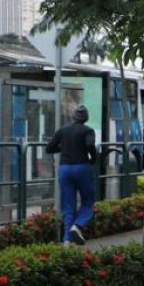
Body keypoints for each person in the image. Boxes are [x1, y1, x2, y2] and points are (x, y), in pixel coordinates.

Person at [46, 104, 97, 246]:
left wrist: (63, 147)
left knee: (68, 205)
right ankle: (78, 225)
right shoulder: (88, 130)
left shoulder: (63, 130)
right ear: (86, 118)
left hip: (65, 169)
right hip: (82, 167)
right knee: (88, 201)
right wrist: (93, 158)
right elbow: (90, 146)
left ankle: (67, 242)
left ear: (73, 117)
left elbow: (49, 148)